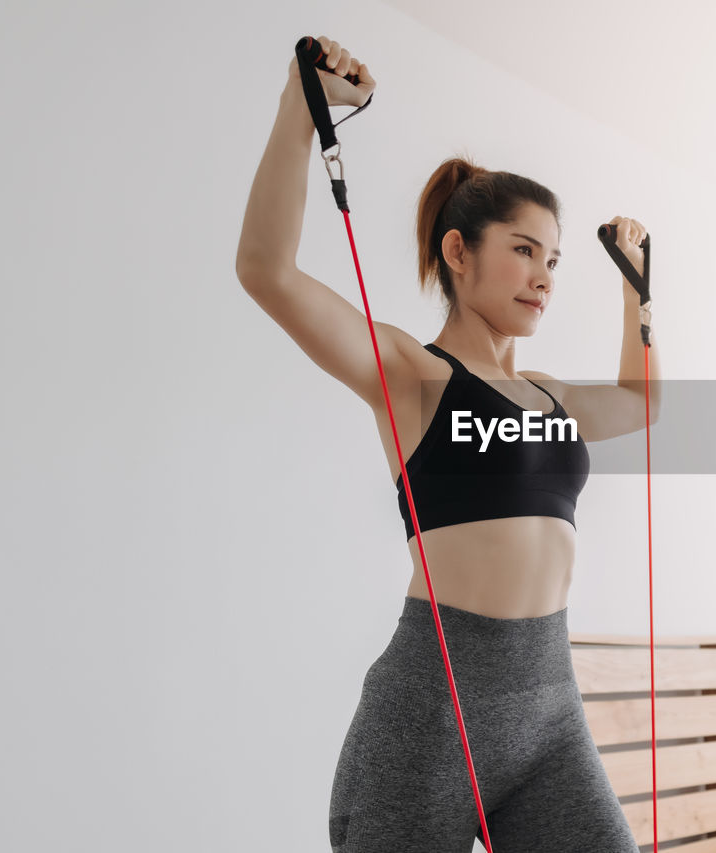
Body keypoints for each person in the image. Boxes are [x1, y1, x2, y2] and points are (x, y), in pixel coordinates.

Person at [235, 35, 660, 852]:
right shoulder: (410, 373)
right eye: (524, 251)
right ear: (458, 252)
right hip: (434, 705)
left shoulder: (551, 396)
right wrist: (302, 107)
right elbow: (266, 270)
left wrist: (638, 290)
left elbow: (644, 401)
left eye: (554, 260)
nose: (543, 275)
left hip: (548, 702)